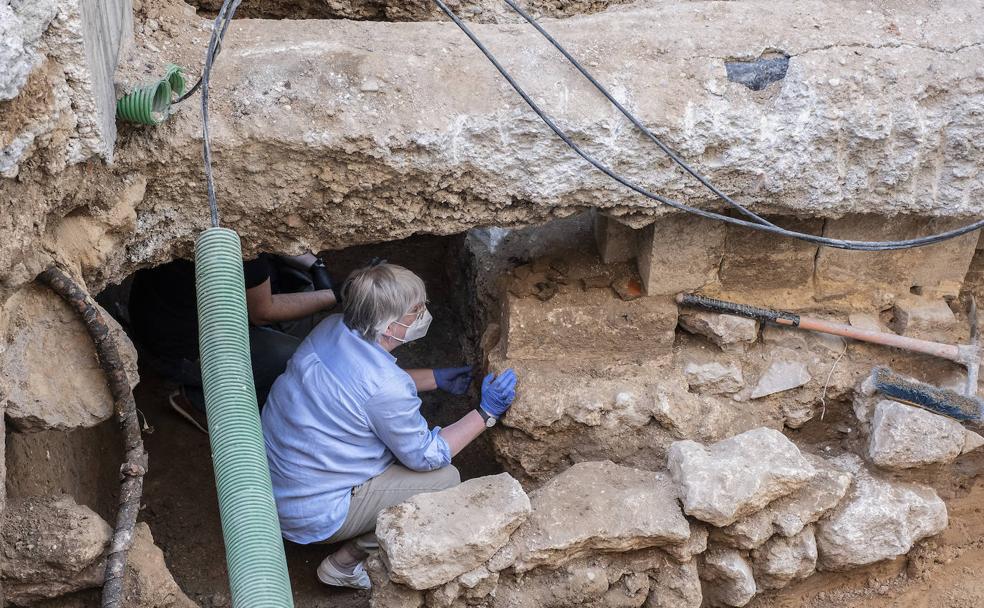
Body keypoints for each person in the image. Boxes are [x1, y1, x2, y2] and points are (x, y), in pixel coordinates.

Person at [261, 262, 517, 590]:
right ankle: (344, 563)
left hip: (270, 483)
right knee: (444, 479)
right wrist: (485, 413)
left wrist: (434, 378)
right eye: (416, 309)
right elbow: (426, 455)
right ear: (387, 325)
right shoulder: (387, 387)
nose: (424, 312)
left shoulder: (331, 327)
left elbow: (360, 390)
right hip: (312, 510)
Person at [129, 252, 340, 432]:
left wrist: (316, 264)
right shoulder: (245, 254)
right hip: (180, 351)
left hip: (151, 319)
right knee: (298, 359)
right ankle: (198, 402)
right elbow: (263, 312)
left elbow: (278, 240)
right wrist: (336, 295)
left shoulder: (222, 227)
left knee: (287, 276)